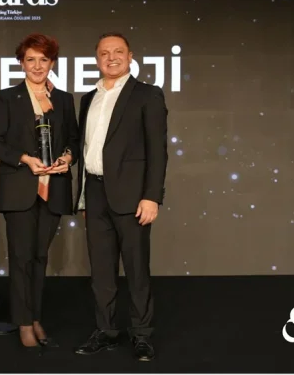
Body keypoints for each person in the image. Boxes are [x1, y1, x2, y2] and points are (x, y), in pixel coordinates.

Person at [73, 32, 168, 362]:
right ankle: (106, 330)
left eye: (118, 52)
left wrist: (152, 196)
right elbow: (86, 150)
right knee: (101, 271)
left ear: (130, 56)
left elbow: (158, 151)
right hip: (95, 193)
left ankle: (141, 334)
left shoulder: (147, 95)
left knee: (137, 269)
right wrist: (83, 198)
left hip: (132, 196)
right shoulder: (88, 98)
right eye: (104, 53)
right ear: (96, 58)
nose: (111, 57)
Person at [0, 33, 80, 351]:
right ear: (21, 63)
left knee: (40, 258)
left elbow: (74, 140)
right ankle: (24, 322)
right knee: (21, 258)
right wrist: (25, 159)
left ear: (52, 63)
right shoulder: (8, 98)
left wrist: (67, 158)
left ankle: (36, 317)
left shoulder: (64, 99)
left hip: (54, 189)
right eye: (31, 60)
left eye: (44, 60)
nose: (37, 66)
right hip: (20, 189)